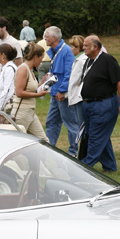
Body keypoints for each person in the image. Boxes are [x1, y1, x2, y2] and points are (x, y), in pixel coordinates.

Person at [79, 35, 120, 173]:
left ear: (95, 47)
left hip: (103, 104)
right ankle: (110, 167)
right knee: (101, 136)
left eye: (86, 46)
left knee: (95, 137)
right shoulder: (89, 60)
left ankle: (84, 167)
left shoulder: (108, 60)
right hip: (88, 104)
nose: (83, 48)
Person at [42, 25, 78, 153]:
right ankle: (49, 149)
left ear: (54, 38)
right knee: (51, 122)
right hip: (54, 94)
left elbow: (69, 74)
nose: (44, 39)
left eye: (46, 37)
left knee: (70, 124)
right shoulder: (55, 51)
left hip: (62, 95)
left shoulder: (66, 51)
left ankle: (74, 152)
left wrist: (62, 91)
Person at [6, 43, 48, 140]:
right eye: (41, 58)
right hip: (21, 112)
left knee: (43, 140)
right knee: (17, 142)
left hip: (30, 111)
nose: (41, 61)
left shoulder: (30, 70)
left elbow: (29, 88)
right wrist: (38, 95)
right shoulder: (23, 69)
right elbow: (19, 92)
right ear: (36, 57)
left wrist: (41, 83)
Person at [66, 35, 89, 136]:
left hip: (79, 97)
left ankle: (84, 149)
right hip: (75, 96)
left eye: (72, 46)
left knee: (82, 126)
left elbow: (78, 79)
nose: (71, 49)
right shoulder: (78, 59)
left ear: (78, 47)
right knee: (81, 125)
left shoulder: (82, 60)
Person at [0, 43, 18, 116]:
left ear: (3, 55)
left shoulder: (9, 69)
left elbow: (7, 91)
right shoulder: (4, 68)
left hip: (5, 110)